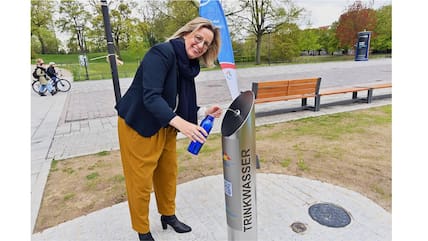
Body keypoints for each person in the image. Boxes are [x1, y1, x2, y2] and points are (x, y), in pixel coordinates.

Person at [115, 17, 222, 241]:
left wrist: (202, 112)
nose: (200, 46)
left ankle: (168, 215)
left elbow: (175, 100)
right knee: (140, 182)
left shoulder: (189, 65)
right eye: (198, 38)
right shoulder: (161, 53)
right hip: (139, 124)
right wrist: (183, 124)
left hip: (166, 125)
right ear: (186, 34)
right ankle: (142, 229)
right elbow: (151, 97)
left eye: (206, 44)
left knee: (168, 174)